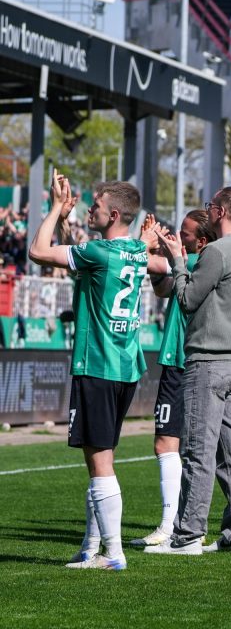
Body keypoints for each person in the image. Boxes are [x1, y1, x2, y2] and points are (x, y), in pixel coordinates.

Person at [30, 171, 150, 570]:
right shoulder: (134, 250)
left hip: (97, 363)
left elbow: (37, 251)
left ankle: (113, 554)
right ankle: (90, 546)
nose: (89, 210)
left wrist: (53, 209)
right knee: (98, 458)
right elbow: (82, 266)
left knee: (100, 463)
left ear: (113, 214)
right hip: (125, 365)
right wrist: (66, 221)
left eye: (95, 206)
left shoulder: (100, 252)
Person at [146, 186, 231, 555]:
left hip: (207, 362)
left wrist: (179, 261)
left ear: (220, 211)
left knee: (198, 451)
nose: (208, 210)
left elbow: (187, 299)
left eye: (211, 206)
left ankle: (188, 535)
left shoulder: (216, 251)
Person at [131, 209, 217, 547]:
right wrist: (158, 251)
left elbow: (149, 265)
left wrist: (147, 245)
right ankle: (198, 525)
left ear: (202, 240)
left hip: (181, 362)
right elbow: (163, 288)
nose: (178, 236)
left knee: (167, 442)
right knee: (192, 446)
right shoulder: (199, 264)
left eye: (185, 232)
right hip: (187, 361)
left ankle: (171, 526)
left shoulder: (196, 262)